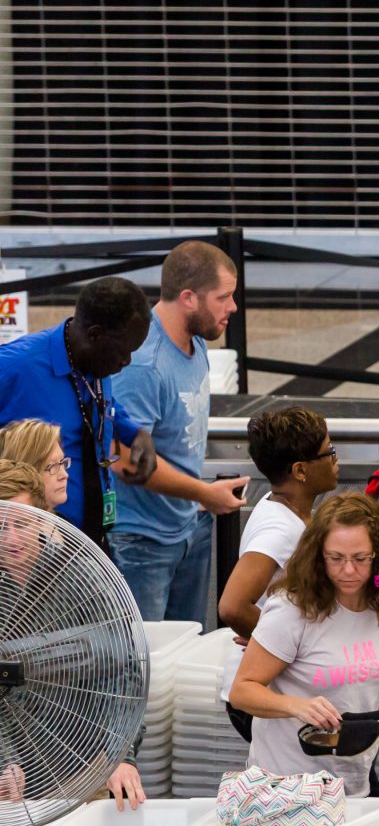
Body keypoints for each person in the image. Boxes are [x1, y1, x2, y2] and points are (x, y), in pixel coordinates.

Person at [227, 493, 379, 803]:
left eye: (360, 559)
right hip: (287, 790)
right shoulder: (292, 611)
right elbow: (242, 690)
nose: (348, 570)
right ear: (319, 556)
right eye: (336, 558)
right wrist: (297, 706)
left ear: (378, 556)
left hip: (353, 784)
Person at [108, 242, 250, 624]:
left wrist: (197, 500)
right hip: (143, 543)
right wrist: (203, 492)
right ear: (188, 298)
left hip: (188, 525)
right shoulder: (143, 365)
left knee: (187, 652)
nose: (233, 307)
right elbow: (125, 462)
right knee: (146, 663)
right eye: (223, 297)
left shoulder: (197, 340)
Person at [0, 465, 145, 808]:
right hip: (15, 780)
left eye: (21, 524)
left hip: (87, 767)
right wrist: (4, 761)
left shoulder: (82, 578)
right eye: (0, 526)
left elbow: (125, 672)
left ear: (43, 518)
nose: (10, 539)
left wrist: (120, 756)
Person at [0, 278, 157, 547]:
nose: (126, 362)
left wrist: (134, 432)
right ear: (95, 334)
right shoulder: (15, 366)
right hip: (33, 548)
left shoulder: (97, 365)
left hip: (94, 540)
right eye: (123, 351)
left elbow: (103, 404)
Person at [215, 408, 337, 640]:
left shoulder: (283, 507)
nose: (335, 458)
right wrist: (280, 643)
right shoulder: (280, 530)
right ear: (300, 470)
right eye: (329, 451)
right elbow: (232, 606)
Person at [0, 420, 70, 513]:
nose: (64, 475)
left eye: (61, 462)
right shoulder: (9, 527)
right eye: (52, 466)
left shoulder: (62, 524)